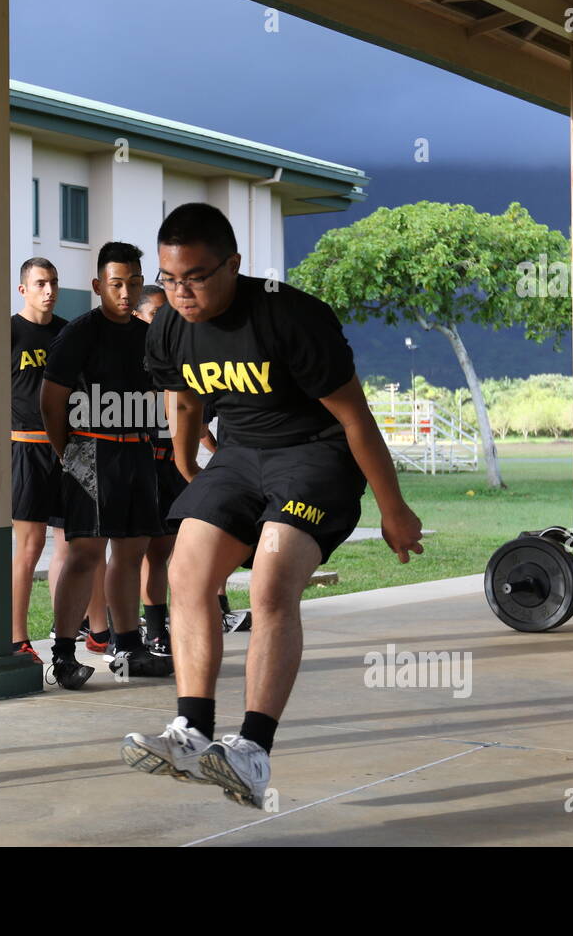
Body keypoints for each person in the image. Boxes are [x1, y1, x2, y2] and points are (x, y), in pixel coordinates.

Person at [120, 203, 423, 807]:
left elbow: (355, 417)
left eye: (197, 277)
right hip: (240, 453)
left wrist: (394, 509)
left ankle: (253, 751)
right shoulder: (169, 327)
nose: (181, 292)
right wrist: (188, 470)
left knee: (271, 583)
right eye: (169, 278)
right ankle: (191, 729)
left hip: (315, 455)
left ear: (234, 264)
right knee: (186, 570)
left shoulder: (291, 316)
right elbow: (182, 402)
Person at [40, 242, 172, 688]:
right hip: (90, 451)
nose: (126, 292)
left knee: (131, 553)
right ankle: (61, 654)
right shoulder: (80, 332)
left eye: (134, 283)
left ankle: (129, 645)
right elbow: (50, 401)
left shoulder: (148, 335)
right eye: (116, 283)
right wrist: (69, 454)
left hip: (137, 451)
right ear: (99, 285)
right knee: (86, 554)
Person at [132, 285, 223, 654]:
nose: (163, 321)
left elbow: (195, 420)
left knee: (167, 552)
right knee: (131, 554)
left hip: (173, 468)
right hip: (138, 468)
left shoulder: (180, 357)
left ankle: (162, 628)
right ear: (139, 316)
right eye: (155, 314)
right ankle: (127, 630)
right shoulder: (132, 361)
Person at [10, 258, 70, 664]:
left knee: (71, 544)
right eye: (40, 283)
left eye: (53, 283)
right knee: (30, 547)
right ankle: (17, 637)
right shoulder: (8, 331)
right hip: (24, 447)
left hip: (66, 450)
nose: (48, 291)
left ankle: (65, 633)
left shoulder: (68, 333)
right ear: (23, 290)